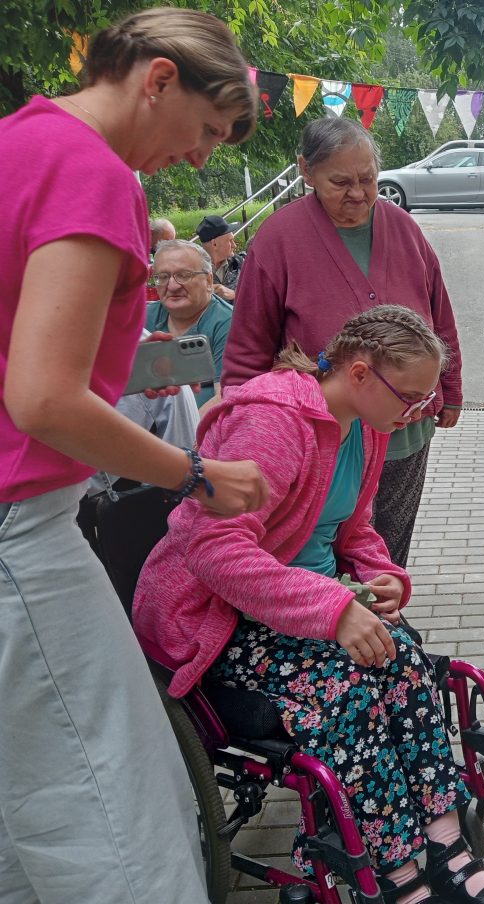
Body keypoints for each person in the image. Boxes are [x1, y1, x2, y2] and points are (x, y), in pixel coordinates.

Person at [0, 9, 268, 903]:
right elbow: (43, 397)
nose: (199, 158)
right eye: (207, 130)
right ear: (158, 79)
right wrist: (194, 472)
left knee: (27, 805)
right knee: (121, 808)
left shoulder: (18, 140)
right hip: (19, 526)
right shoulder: (94, 169)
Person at [134, 306, 484, 904]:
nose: (417, 412)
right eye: (412, 397)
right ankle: (397, 878)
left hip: (295, 607)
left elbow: (354, 530)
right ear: (361, 373)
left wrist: (381, 575)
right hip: (212, 615)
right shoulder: (274, 422)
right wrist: (333, 609)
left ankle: (447, 849)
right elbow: (213, 549)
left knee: (405, 662)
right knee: (346, 689)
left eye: (425, 399)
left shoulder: (366, 428)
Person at [223, 117, 463, 568]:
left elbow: (439, 317)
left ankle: (381, 604)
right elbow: (248, 348)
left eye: (368, 179)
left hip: (404, 429)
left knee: (386, 548)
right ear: (306, 171)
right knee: (315, 548)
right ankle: (330, 608)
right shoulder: (278, 239)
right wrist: (239, 428)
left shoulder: (404, 228)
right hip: (318, 438)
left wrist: (450, 390)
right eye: (341, 182)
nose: (358, 193)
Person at [146, 238, 234, 406]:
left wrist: (183, 424)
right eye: (163, 277)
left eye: (183, 275)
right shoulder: (144, 318)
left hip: (199, 422)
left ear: (208, 281)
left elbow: (225, 397)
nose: (172, 286)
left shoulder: (228, 324)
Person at [197, 213, 245, 301]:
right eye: (230, 241)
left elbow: (258, 292)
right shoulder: (193, 271)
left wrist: (235, 294)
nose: (234, 245)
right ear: (214, 244)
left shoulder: (239, 263)